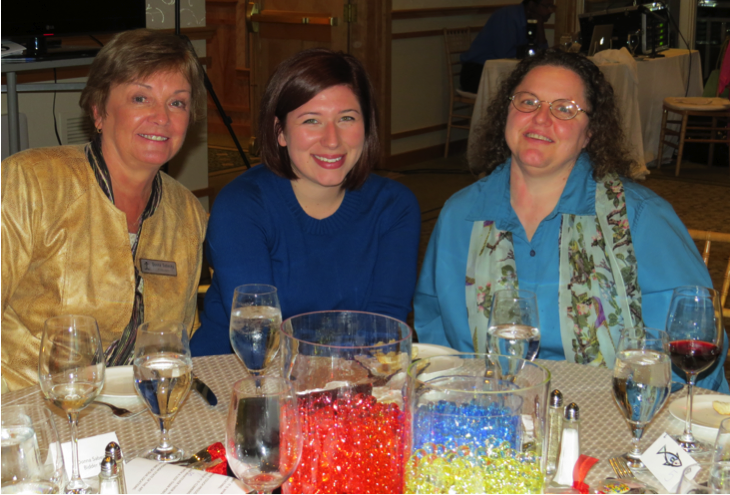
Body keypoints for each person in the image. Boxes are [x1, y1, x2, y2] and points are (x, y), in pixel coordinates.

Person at [415, 49, 729, 393]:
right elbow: (437, 336)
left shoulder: (639, 219)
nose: (540, 119)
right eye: (527, 101)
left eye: (565, 109)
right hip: (488, 416)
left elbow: (693, 348)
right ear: (507, 110)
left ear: (590, 133)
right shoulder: (460, 216)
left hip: (619, 422)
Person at [1, 29, 208, 392]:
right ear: (99, 111)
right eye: (141, 98)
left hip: (132, 415)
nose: (161, 117)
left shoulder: (187, 214)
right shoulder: (33, 182)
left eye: (177, 102)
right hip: (26, 408)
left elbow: (179, 342)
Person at [191, 48, 421, 356]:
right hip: (232, 375)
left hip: (347, 382)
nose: (331, 139)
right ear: (280, 132)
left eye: (347, 118)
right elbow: (259, 336)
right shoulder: (243, 206)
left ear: (367, 128)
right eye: (311, 120)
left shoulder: (394, 207)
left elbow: (383, 329)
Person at [460, 0, 555, 94]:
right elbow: (504, 54)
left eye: (552, 6)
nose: (550, 11)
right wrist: (529, 50)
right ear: (531, 5)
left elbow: (542, 53)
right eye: (547, 6)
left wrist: (539, 26)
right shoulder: (508, 16)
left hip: (501, 73)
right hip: (478, 73)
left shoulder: (532, 19)